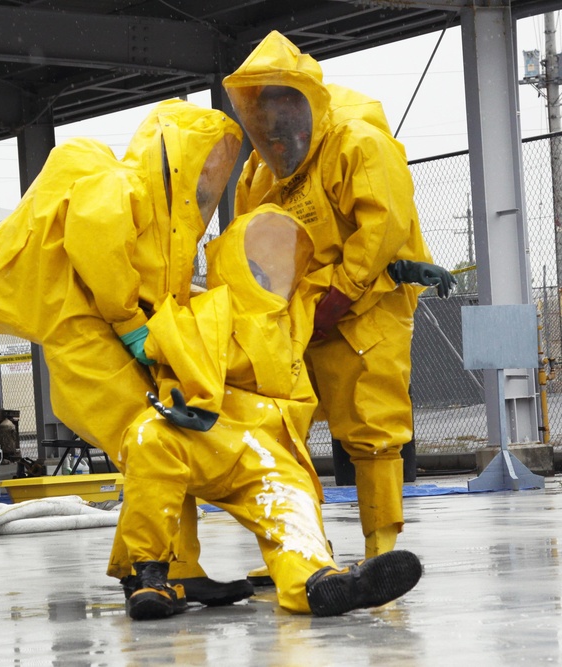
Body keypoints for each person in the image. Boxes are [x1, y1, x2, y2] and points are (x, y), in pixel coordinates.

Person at [0, 98, 253, 606]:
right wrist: (130, 324)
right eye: (204, 161)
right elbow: (96, 245)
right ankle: (150, 574)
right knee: (154, 440)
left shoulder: (171, 223)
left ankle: (168, 568)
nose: (210, 177)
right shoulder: (124, 187)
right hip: (84, 336)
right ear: (176, 155)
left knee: (163, 445)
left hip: (106, 338)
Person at [118, 205, 423, 620]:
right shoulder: (204, 312)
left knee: (292, 504)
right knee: (148, 436)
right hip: (209, 437)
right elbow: (160, 341)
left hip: (270, 453)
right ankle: (150, 575)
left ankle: (317, 584)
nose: (269, 274)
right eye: (255, 264)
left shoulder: (295, 311)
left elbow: (340, 286)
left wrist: (398, 271)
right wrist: (149, 355)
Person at [224, 31, 443, 560]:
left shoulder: (355, 143)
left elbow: (382, 226)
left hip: (368, 303)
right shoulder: (259, 171)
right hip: (300, 312)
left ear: (304, 101)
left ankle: (381, 548)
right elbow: (251, 241)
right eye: (262, 113)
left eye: (281, 106)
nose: (273, 126)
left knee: (373, 423)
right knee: (278, 424)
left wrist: (343, 292)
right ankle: (297, 551)